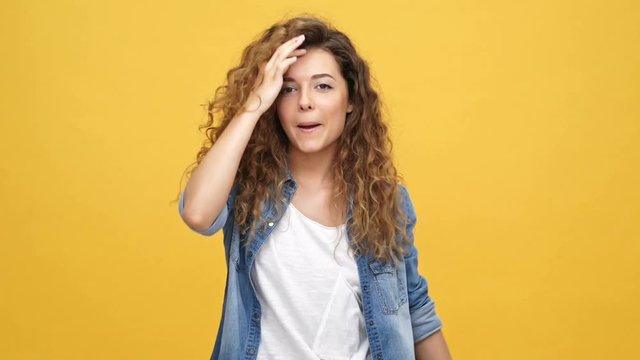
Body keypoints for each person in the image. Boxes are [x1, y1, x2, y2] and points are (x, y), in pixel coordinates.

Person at [177, 15, 452, 360]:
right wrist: (255, 103)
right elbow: (198, 213)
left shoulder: (387, 201)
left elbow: (415, 311)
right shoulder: (250, 189)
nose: (305, 101)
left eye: (323, 86)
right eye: (289, 88)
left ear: (351, 100)